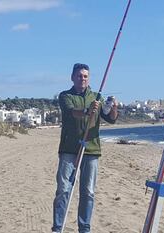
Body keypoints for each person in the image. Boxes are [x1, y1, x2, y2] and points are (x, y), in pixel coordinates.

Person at [52, 63, 118, 233]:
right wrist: (88, 110)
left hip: (91, 149)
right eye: (80, 76)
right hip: (69, 149)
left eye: (86, 76)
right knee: (63, 189)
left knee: (88, 191)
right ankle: (58, 227)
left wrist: (114, 107)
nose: (83, 78)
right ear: (73, 77)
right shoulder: (65, 96)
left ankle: (84, 228)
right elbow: (72, 112)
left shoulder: (97, 97)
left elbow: (111, 119)